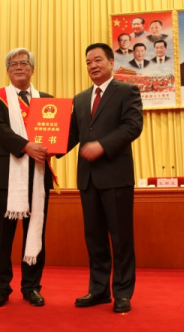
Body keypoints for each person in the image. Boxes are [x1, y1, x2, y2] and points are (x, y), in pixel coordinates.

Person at [67, 43, 143, 313]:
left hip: (116, 176)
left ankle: (122, 292)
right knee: (94, 238)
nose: (92, 66)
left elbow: (133, 126)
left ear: (111, 62)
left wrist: (102, 145)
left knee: (121, 238)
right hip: (88, 179)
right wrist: (48, 148)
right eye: (88, 62)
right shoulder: (79, 99)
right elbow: (72, 134)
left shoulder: (127, 91)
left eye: (98, 60)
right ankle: (99, 290)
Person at [0, 47, 54, 309]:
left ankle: (32, 287)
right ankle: (1, 288)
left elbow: (55, 135)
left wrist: (53, 147)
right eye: (13, 64)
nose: (18, 67)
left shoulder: (47, 100)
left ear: (32, 69)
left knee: (35, 231)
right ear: (7, 71)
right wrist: (26, 146)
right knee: (2, 237)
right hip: (7, 178)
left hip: (38, 176)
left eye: (24, 63)